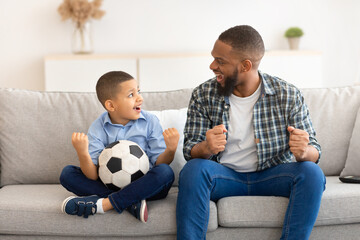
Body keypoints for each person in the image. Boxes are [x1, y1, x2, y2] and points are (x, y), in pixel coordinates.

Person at [176, 25, 326, 240]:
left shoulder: (287, 94)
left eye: (221, 61)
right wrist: (206, 148)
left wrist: (304, 152)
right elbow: (191, 151)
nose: (212, 66)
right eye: (213, 58)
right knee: (194, 169)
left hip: (273, 175)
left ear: (245, 65)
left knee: (312, 173)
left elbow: (315, 151)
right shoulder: (203, 94)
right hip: (224, 176)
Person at [60, 71, 180, 222]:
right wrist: (82, 153)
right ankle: (131, 202)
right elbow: (93, 176)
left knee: (165, 172)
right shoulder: (98, 127)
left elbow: (160, 163)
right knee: (67, 173)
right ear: (111, 105)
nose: (140, 98)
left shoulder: (150, 121)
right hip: (110, 184)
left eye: (139, 91)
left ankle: (105, 204)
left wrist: (171, 149)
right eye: (131, 95)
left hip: (146, 184)